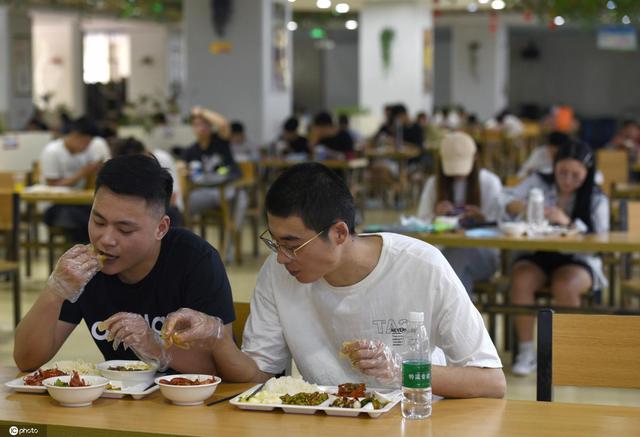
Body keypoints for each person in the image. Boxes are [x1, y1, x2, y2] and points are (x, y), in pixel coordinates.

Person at [160, 162, 506, 399]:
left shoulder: (420, 265)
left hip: (412, 421)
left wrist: (401, 371)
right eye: (275, 242)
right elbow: (258, 375)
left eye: (293, 245)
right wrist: (218, 336)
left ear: (339, 233)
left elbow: (491, 381)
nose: (281, 257)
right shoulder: (277, 274)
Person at [14, 155, 235, 374]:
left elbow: (220, 370)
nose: (106, 239)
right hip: (119, 403)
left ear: (161, 228)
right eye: (98, 221)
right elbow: (27, 360)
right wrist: (55, 290)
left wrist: (156, 347)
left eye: (125, 229)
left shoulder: (195, 260)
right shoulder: (85, 269)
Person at [503, 140, 609, 376]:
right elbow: (505, 200)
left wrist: (567, 223)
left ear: (587, 173)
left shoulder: (596, 197)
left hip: (578, 259)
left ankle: (565, 352)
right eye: (562, 172)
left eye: (576, 175)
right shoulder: (538, 182)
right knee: (520, 278)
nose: (568, 180)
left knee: (566, 284)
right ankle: (527, 351)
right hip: (538, 254)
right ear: (554, 167)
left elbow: (601, 237)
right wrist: (523, 205)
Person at [417, 132, 502, 295]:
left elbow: (501, 226)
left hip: (482, 255)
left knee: (456, 258)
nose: (458, 173)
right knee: (455, 269)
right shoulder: (434, 184)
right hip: (446, 253)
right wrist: (435, 216)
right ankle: (460, 317)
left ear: (475, 158)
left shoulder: (490, 183)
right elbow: (421, 224)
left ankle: (450, 317)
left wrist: (482, 219)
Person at [182, 107, 246, 241]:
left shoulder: (220, 141)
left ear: (211, 127)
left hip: (229, 188)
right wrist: (182, 169)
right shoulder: (190, 151)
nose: (202, 128)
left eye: (205, 124)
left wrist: (200, 112)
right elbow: (184, 171)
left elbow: (223, 124)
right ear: (193, 128)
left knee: (240, 200)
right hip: (205, 192)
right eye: (197, 124)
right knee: (182, 207)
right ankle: (188, 244)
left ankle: (230, 248)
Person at [40, 116, 103, 243]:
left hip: (79, 203)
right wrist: (82, 173)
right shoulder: (52, 151)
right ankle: (83, 255)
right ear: (75, 135)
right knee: (84, 221)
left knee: (100, 217)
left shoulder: (86, 153)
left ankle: (90, 254)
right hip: (55, 206)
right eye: (85, 141)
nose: (87, 146)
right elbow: (53, 184)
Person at [113, 136, 184, 227]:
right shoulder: (127, 166)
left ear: (144, 152)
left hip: (167, 207)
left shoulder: (162, 159)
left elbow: (172, 197)